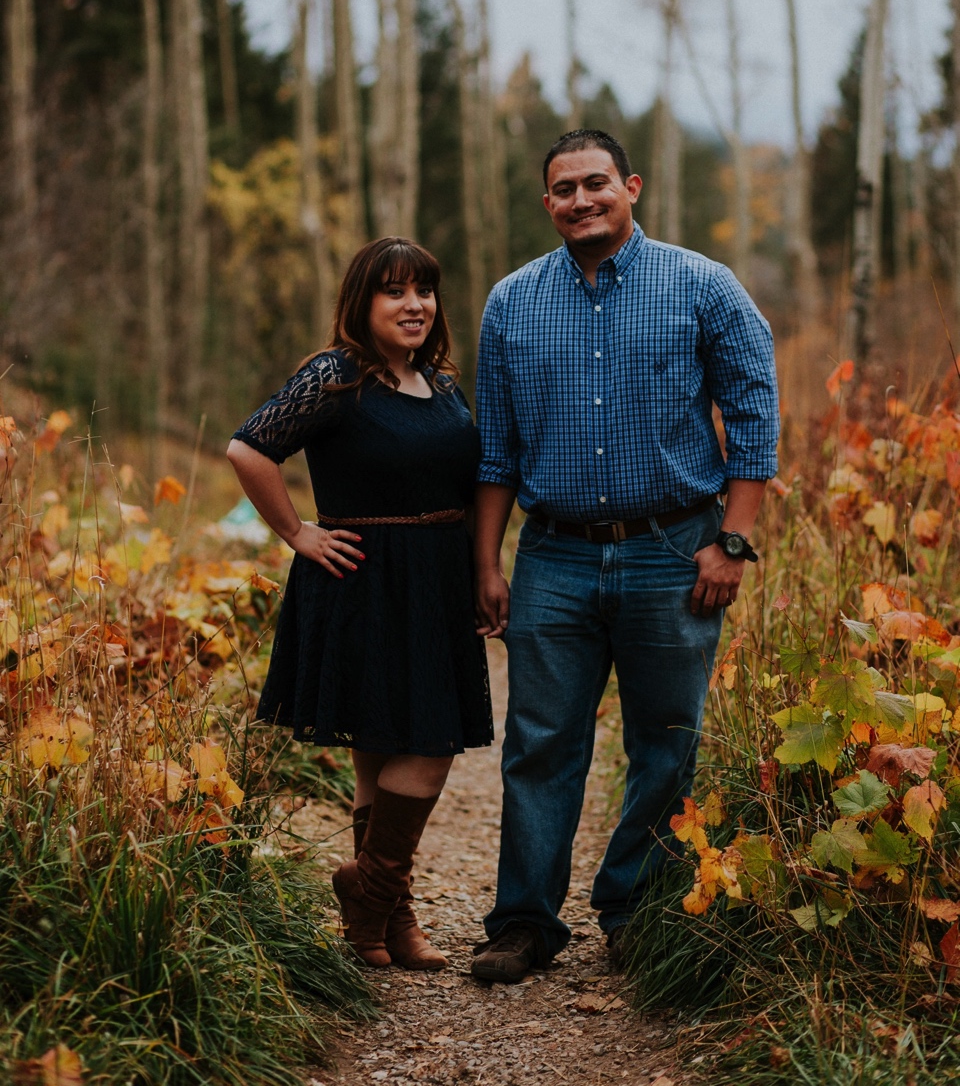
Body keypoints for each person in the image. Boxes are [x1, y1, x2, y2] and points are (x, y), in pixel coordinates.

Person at [469, 129, 779, 984]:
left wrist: (732, 542)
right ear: (548, 205)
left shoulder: (704, 287)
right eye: (564, 189)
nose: (581, 200)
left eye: (596, 183)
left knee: (666, 742)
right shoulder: (512, 303)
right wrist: (487, 564)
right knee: (539, 743)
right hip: (556, 557)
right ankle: (524, 923)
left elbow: (756, 416)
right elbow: (495, 451)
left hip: (676, 552)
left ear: (631, 186)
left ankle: (633, 913)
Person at [227, 237, 493, 972]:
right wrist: (296, 532)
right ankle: (369, 888)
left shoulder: (441, 384)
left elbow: (463, 489)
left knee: (382, 753)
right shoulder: (336, 376)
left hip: (434, 579)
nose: (414, 305)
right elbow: (249, 450)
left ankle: (379, 923)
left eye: (425, 292)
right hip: (364, 578)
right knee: (428, 748)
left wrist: (479, 572)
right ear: (362, 303)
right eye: (395, 292)